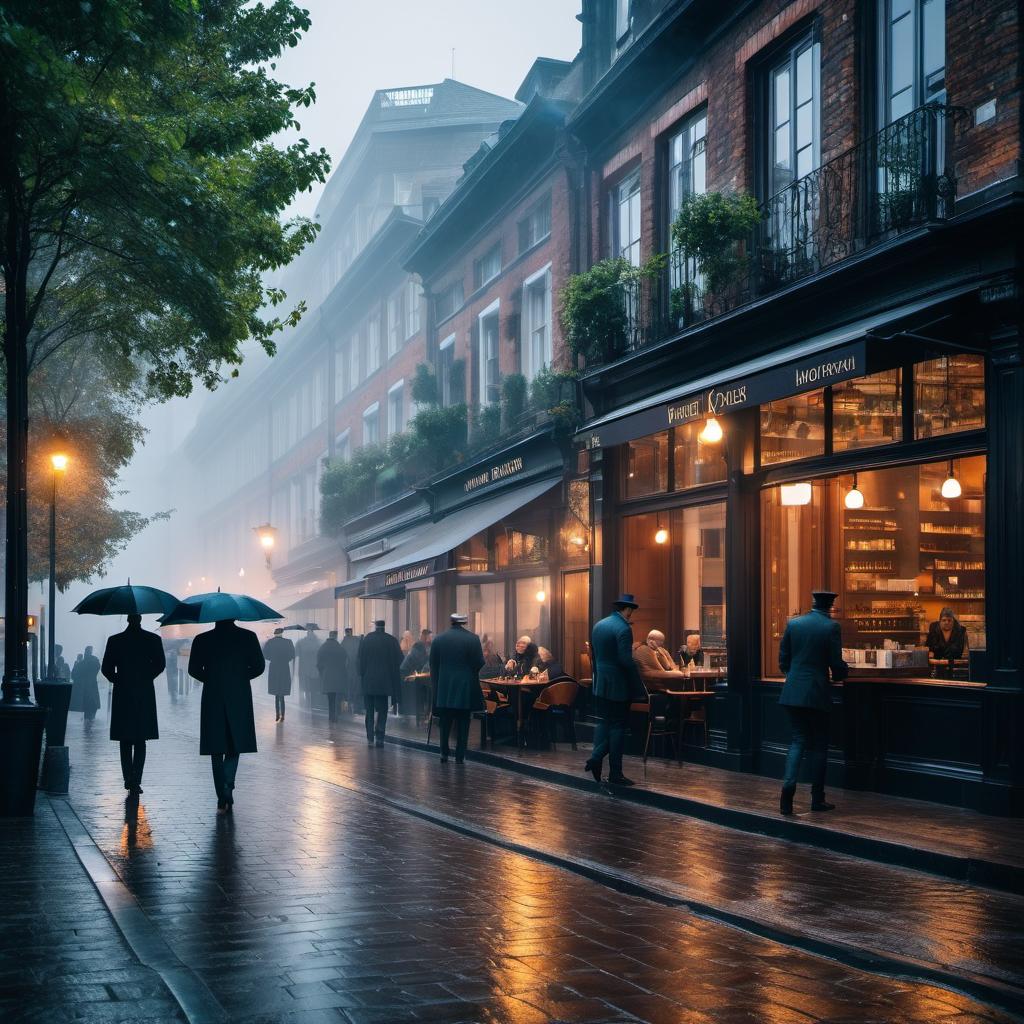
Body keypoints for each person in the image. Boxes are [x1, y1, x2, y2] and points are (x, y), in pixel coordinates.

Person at [778, 590, 848, 816]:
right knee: (819, 746)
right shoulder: (831, 627)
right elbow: (836, 664)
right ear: (830, 606)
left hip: (792, 692)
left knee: (797, 741)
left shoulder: (795, 624)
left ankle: (787, 796)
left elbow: (783, 660)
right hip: (816, 693)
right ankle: (817, 799)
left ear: (813, 603)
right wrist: (840, 675)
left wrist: (793, 675)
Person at [188, 618, 265, 814]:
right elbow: (259, 666)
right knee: (234, 742)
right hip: (239, 694)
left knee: (216, 746)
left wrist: (212, 678)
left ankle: (221, 794)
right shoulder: (248, 637)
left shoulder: (202, 639)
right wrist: (239, 677)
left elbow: (193, 669)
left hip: (213, 695)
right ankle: (228, 786)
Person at [102, 614, 165, 796]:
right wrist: (146, 677)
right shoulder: (152, 639)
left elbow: (106, 668)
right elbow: (160, 665)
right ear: (140, 619)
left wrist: (119, 680)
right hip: (144, 693)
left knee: (125, 739)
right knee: (140, 738)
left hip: (123, 694)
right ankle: (136, 780)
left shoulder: (115, 641)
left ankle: (128, 778)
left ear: (128, 620)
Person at [587, 594, 645, 787]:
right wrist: (638, 685)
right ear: (628, 610)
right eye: (631, 611)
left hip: (601, 683)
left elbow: (594, 656)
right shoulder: (623, 628)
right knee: (619, 726)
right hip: (618, 684)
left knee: (606, 723)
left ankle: (597, 759)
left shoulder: (599, 625)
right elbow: (625, 660)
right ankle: (614, 772)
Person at [430, 612, 485, 764]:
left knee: (445, 721)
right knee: (463, 721)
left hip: (444, 686)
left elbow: (433, 665)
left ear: (452, 622)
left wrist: (438, 683)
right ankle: (460, 755)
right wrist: (468, 674)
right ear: (464, 622)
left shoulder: (438, 639)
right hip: (464, 686)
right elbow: (479, 662)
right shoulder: (473, 639)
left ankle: (444, 753)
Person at [357, 620, 402, 746]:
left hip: (369, 681)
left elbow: (360, 661)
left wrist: (362, 675)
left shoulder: (367, 640)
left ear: (375, 626)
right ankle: (380, 737)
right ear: (384, 627)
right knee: (382, 710)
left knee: (369, 710)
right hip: (384, 682)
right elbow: (399, 660)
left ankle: (370, 737)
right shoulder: (391, 640)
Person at [262, 627, 295, 722]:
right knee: (282, 693)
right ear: (282, 633)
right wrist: (286, 660)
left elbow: (265, 655)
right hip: (284, 667)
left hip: (274, 668)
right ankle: (283, 715)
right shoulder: (288, 642)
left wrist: (273, 659)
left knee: (276, 693)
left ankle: (277, 714)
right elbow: (292, 655)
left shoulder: (270, 642)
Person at [317, 629, 349, 723]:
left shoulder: (323, 647)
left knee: (330, 697)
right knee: (337, 697)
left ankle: (331, 716)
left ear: (329, 635)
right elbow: (345, 661)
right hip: (339, 675)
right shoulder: (340, 648)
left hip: (327, 675)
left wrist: (322, 673)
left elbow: (319, 663)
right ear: (336, 636)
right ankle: (336, 715)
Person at [926, 607, 968, 679]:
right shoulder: (933, 628)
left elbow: (959, 651)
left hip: (954, 667)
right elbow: (930, 646)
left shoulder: (960, 630)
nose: (946, 622)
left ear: (953, 621)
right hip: (936, 667)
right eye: (944, 620)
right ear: (940, 621)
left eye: (949, 620)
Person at [70, 646, 102, 725]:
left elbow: (74, 675)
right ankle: (89, 726)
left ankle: (87, 726)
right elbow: (98, 667)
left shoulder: (82, 663)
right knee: (92, 709)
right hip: (92, 688)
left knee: (88, 711)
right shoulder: (94, 662)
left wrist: (77, 662)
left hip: (85, 689)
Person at [294, 624, 321, 709]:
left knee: (305, 687)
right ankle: (314, 703)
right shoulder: (319, 642)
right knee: (314, 688)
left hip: (304, 670)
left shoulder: (300, 642)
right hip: (315, 669)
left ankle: (308, 703)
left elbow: (295, 655)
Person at [341, 627, 362, 714]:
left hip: (348, 669)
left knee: (348, 688)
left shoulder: (344, 642)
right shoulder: (356, 641)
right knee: (354, 688)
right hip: (355, 668)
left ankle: (347, 707)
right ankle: (354, 706)